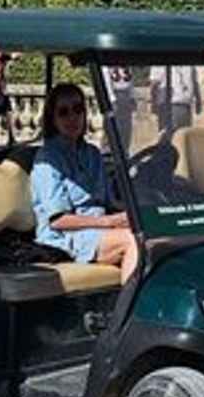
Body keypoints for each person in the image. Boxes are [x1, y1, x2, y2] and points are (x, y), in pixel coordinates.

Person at [30, 83, 139, 283]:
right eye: (63, 112)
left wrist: (136, 211)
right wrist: (108, 222)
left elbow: (110, 202)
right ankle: (133, 303)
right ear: (52, 119)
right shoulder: (47, 159)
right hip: (63, 238)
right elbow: (58, 220)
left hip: (97, 230)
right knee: (134, 241)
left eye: (78, 109)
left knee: (153, 235)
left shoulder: (92, 154)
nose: (72, 117)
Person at [149, 63, 198, 132]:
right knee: (181, 134)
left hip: (171, 105)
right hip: (183, 105)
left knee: (169, 134)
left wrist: (153, 104)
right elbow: (194, 82)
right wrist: (198, 100)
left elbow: (154, 84)